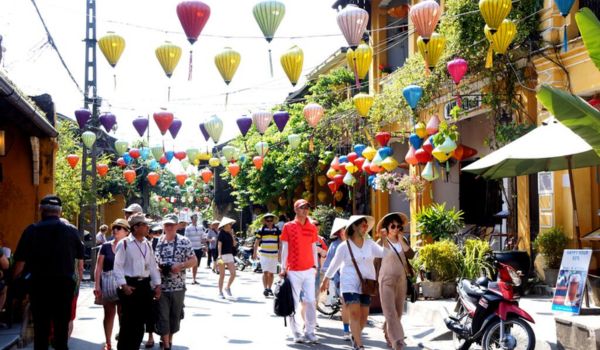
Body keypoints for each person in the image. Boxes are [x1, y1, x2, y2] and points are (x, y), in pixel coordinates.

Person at [13, 195, 84, 350]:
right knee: (61, 328)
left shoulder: (31, 230)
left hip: (39, 285)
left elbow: (20, 262)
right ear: (60, 211)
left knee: (41, 329)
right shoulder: (71, 231)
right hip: (63, 286)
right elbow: (80, 259)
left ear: (41, 210)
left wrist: (16, 281)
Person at [321, 215, 384, 350]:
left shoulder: (370, 244)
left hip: (367, 283)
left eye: (367, 225)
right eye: (363, 225)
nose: (366, 227)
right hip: (349, 282)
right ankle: (359, 345)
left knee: (364, 315)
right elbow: (334, 264)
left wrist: (386, 239)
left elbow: (385, 253)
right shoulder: (344, 246)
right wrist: (326, 279)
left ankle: (355, 337)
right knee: (354, 313)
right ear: (354, 226)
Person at [113, 213, 161, 350]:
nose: (148, 227)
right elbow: (118, 266)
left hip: (144, 285)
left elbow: (152, 265)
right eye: (145, 225)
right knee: (128, 323)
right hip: (129, 285)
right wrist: (124, 285)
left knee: (140, 324)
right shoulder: (124, 244)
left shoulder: (148, 244)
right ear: (135, 227)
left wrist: (157, 285)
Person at [154, 215, 197, 350]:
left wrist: (181, 266)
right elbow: (152, 262)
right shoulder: (157, 242)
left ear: (177, 226)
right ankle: (166, 345)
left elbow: (194, 261)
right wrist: (158, 269)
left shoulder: (184, 241)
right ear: (163, 226)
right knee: (163, 316)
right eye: (166, 224)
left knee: (174, 317)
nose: (169, 227)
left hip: (178, 286)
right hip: (162, 286)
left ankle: (169, 339)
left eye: (172, 224)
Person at [280, 199, 319, 344]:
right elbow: (285, 249)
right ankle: (296, 332)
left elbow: (313, 247)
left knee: (311, 301)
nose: (305, 210)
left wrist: (315, 266)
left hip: (309, 269)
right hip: (293, 270)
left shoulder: (312, 227)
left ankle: (310, 331)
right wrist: (283, 268)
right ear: (296, 210)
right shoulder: (288, 226)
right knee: (294, 303)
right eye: (302, 208)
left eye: (307, 208)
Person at [376, 212, 414, 350]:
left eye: (399, 227)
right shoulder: (381, 242)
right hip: (386, 280)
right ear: (387, 227)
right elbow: (374, 260)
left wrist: (402, 240)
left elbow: (411, 255)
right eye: (393, 226)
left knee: (397, 313)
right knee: (390, 312)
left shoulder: (402, 241)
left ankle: (387, 331)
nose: (396, 229)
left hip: (401, 280)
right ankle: (398, 341)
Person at [94, 218, 130, 350]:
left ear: (127, 232)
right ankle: (108, 342)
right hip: (108, 283)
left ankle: (123, 340)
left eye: (119, 228)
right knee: (109, 314)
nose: (115, 230)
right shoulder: (106, 246)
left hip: (124, 284)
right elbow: (98, 268)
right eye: (114, 227)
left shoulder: (129, 246)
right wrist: (96, 285)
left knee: (123, 314)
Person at [321, 218, 351, 340]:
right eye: (344, 229)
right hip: (341, 279)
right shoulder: (335, 245)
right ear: (339, 232)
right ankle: (346, 330)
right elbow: (329, 264)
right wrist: (327, 280)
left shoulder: (356, 242)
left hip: (356, 278)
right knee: (346, 304)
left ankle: (354, 328)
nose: (346, 231)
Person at [253, 213, 281, 297]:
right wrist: (254, 252)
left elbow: (280, 242)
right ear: (265, 221)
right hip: (264, 254)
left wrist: (280, 253)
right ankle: (265, 288)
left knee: (271, 273)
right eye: (267, 220)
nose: (269, 222)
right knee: (265, 272)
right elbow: (257, 242)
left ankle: (269, 288)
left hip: (274, 254)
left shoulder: (277, 230)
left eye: (271, 220)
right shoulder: (261, 230)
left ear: (273, 221)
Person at [217, 217, 238, 299]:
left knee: (233, 274)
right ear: (225, 225)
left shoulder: (230, 233)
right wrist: (219, 256)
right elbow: (219, 245)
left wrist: (232, 234)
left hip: (230, 255)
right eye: (229, 224)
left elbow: (234, 244)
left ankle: (227, 287)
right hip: (222, 256)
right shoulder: (221, 233)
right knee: (222, 275)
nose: (231, 225)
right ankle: (220, 292)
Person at [184, 214, 205, 285]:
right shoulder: (188, 228)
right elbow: (185, 238)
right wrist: (186, 248)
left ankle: (194, 278)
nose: (195, 219)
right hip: (191, 249)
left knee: (196, 265)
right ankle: (190, 278)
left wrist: (205, 246)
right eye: (194, 218)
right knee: (192, 264)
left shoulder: (200, 227)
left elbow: (203, 237)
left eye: (196, 218)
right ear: (191, 219)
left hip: (199, 248)